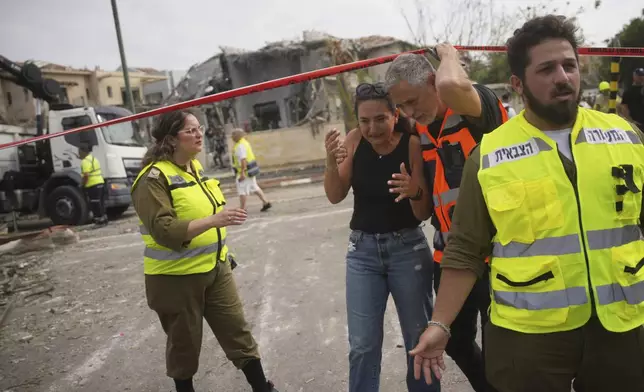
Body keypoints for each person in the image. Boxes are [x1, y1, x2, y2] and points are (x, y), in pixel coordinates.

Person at [409, 15, 644, 392]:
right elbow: (466, 249)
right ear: (518, 84)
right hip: (530, 336)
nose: (562, 77)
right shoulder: (490, 154)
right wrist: (440, 324)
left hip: (621, 328)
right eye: (547, 69)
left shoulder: (625, 136)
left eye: (569, 65)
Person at [385, 46, 508, 392]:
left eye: (412, 101)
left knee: (502, 348)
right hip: (451, 253)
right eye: (402, 107)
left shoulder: (475, 107)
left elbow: (454, 86)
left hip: (497, 251)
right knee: (453, 341)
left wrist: (449, 54)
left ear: (433, 80)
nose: (409, 112)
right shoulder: (422, 128)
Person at [130, 110, 279, 392]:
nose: (200, 135)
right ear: (172, 139)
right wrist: (214, 220)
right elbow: (165, 231)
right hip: (176, 279)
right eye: (191, 131)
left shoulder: (194, 169)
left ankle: (264, 388)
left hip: (215, 269)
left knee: (239, 333)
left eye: (200, 128)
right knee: (184, 346)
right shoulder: (152, 179)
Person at [324, 82, 438, 392]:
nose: (372, 128)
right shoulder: (354, 142)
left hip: (408, 251)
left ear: (395, 114)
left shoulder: (412, 145)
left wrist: (413, 190)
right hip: (362, 254)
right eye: (364, 121)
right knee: (362, 344)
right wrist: (330, 163)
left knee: (419, 340)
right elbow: (335, 194)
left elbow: (422, 212)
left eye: (380, 119)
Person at [231, 129, 272, 212]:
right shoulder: (244, 143)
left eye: (233, 134)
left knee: (242, 189)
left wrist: (242, 173)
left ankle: (242, 208)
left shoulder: (240, 146)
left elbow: (243, 160)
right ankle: (265, 202)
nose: (232, 137)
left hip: (244, 172)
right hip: (250, 171)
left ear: (238, 135)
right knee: (254, 187)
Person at [79, 143, 107, 226]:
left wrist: (83, 184)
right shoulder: (94, 159)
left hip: (93, 185)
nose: (78, 153)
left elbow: (86, 175)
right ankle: (104, 219)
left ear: (83, 151)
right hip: (100, 182)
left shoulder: (84, 161)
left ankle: (99, 221)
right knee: (101, 202)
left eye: (79, 151)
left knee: (95, 203)